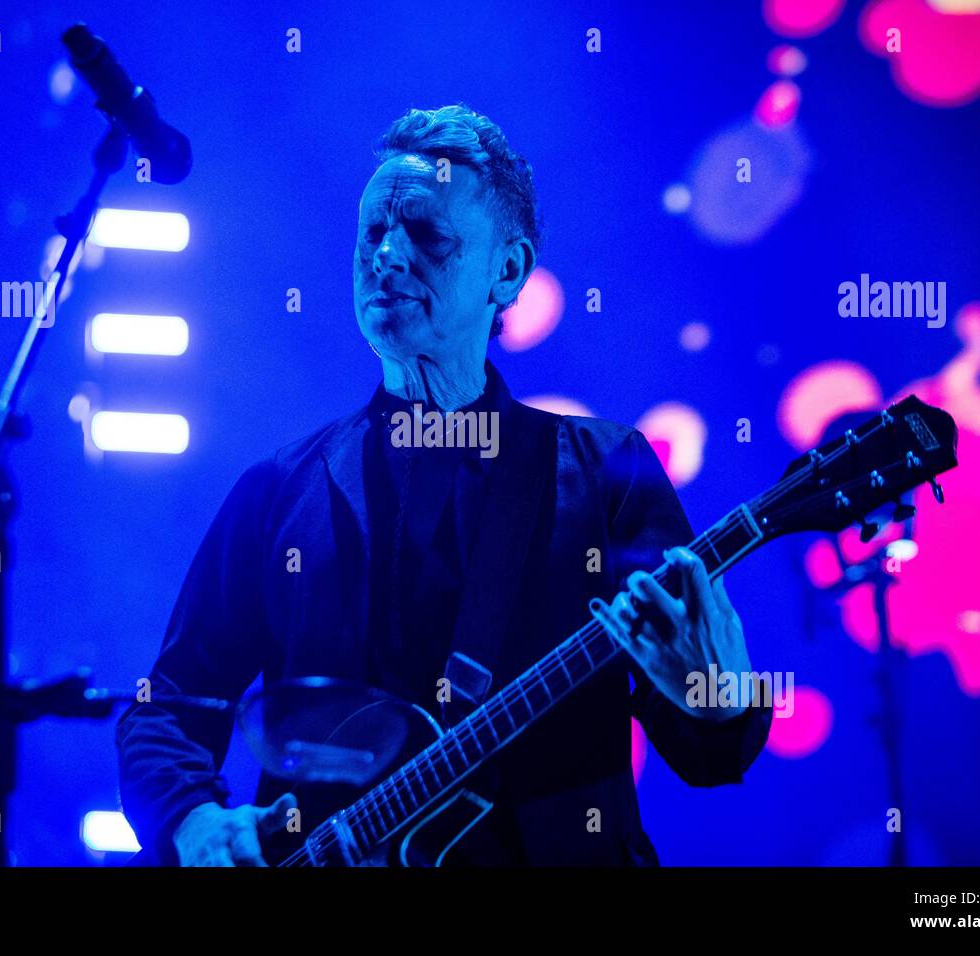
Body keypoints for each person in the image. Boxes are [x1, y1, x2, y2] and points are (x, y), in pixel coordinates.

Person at [117, 104, 771, 866]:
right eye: (371, 233)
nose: (387, 255)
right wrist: (193, 820)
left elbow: (708, 756)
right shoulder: (279, 489)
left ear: (509, 271)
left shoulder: (605, 473)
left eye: (427, 234)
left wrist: (717, 699)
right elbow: (165, 707)